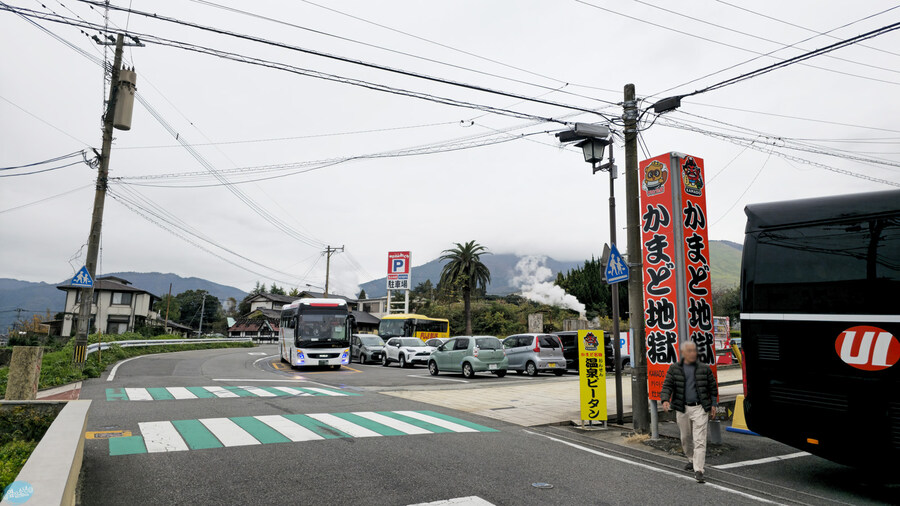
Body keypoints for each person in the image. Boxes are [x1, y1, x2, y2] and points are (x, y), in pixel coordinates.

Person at [660, 340, 719, 483]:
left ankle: (699, 469)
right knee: (685, 437)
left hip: (700, 408)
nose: (693, 353)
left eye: (694, 351)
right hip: (682, 408)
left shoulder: (704, 368)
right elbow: (667, 385)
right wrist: (665, 399)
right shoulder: (674, 368)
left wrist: (713, 404)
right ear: (683, 353)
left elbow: (712, 388)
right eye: (689, 351)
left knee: (699, 439)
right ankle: (691, 459)